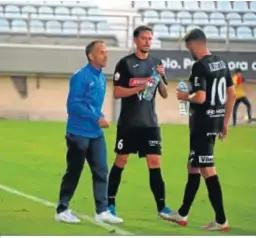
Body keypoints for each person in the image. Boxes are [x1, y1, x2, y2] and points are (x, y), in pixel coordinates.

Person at [171, 29, 236, 231]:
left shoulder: (199, 66)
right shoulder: (221, 63)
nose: (189, 51)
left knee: (207, 170)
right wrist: (225, 122)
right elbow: (231, 94)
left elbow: (200, 97)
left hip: (202, 125)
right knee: (193, 164)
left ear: (195, 45)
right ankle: (182, 214)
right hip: (214, 122)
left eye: (189, 48)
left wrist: (184, 97)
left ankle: (221, 219)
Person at [107, 25, 173, 222]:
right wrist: (141, 86)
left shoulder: (156, 63)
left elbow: (164, 93)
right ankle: (110, 204)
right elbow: (117, 93)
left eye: (150, 39)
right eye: (144, 38)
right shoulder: (125, 64)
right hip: (129, 123)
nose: (147, 42)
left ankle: (162, 207)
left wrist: (160, 76)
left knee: (154, 163)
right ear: (135, 40)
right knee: (121, 161)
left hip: (150, 124)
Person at [55, 40, 123, 224]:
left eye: (106, 52)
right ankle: (62, 209)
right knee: (74, 171)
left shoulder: (101, 77)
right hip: (78, 133)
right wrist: (96, 118)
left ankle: (102, 211)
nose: (106, 55)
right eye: (102, 52)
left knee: (101, 170)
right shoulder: (80, 76)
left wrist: (99, 116)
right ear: (91, 56)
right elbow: (73, 105)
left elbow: (93, 105)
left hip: (95, 134)